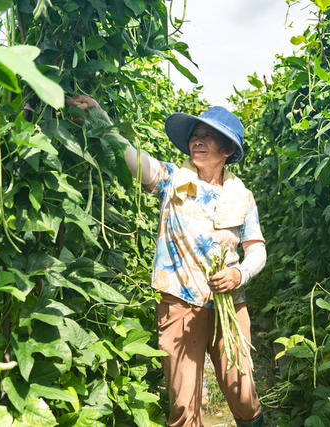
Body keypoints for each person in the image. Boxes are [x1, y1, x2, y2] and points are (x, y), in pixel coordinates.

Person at [66, 95, 267, 427]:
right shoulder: (175, 181)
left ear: (228, 150)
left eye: (208, 135)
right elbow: (135, 159)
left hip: (229, 303)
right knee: (183, 407)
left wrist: (239, 273)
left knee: (243, 394)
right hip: (179, 302)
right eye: (194, 134)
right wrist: (100, 120)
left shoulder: (240, 196)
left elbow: (257, 249)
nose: (197, 140)